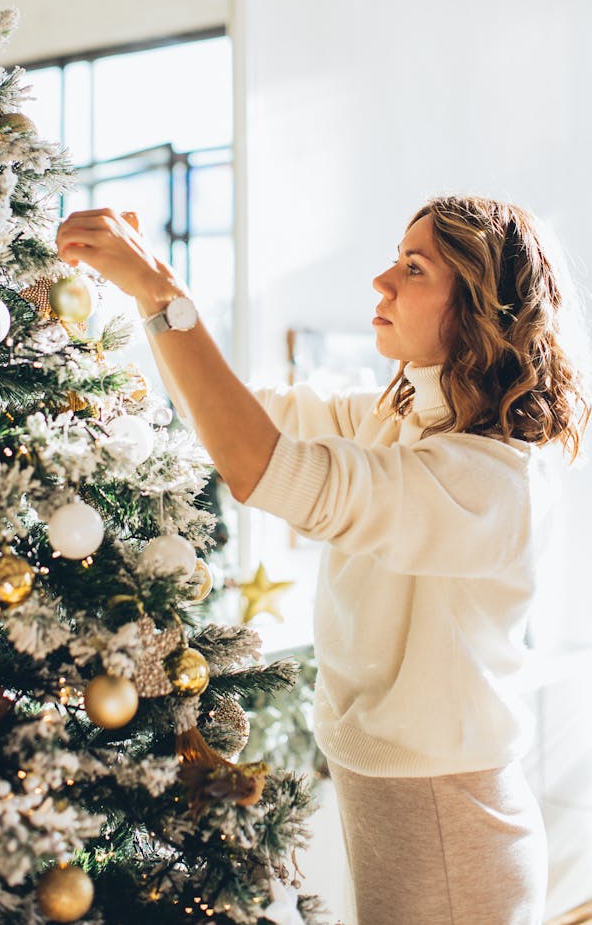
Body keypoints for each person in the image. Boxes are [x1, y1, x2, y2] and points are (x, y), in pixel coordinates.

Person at [56, 195, 591, 925]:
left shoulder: (490, 480)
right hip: (400, 806)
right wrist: (153, 297)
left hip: (452, 829)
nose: (381, 281)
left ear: (480, 307)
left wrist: (164, 293)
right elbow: (226, 412)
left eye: (413, 267)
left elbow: (262, 467)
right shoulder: (393, 417)